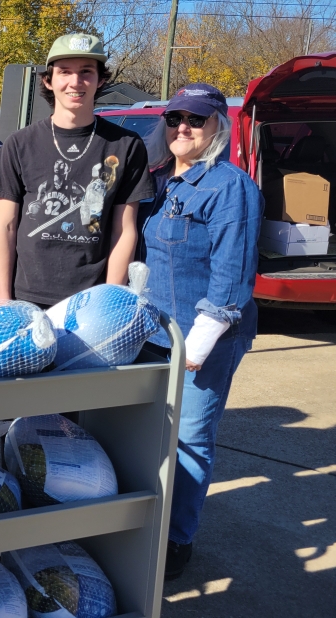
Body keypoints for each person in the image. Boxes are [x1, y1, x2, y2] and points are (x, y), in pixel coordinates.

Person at [140, 83, 262, 580]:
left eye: (196, 119)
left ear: (218, 125)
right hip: (154, 331)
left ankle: (176, 539)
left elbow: (232, 275)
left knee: (189, 438)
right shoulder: (162, 182)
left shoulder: (231, 187)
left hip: (202, 338)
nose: (183, 128)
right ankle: (147, 523)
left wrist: (204, 336)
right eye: (175, 119)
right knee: (151, 436)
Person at [0, 33, 153, 308]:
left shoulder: (126, 146)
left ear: (101, 80)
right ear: (48, 81)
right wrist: (4, 299)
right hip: (26, 298)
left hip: (92, 300)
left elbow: (124, 230)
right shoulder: (19, 143)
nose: (75, 82)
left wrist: (109, 299)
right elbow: (5, 226)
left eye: (86, 72)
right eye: (65, 72)